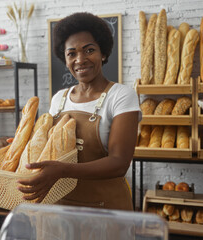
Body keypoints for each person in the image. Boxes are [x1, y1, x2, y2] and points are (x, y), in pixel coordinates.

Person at [17, 12, 141, 211]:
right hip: (60, 208)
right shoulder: (59, 99)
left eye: (89, 50)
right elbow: (49, 147)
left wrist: (63, 170)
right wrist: (23, 143)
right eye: (71, 53)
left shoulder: (121, 96)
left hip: (106, 210)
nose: (80, 59)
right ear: (65, 59)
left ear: (103, 53)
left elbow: (119, 163)